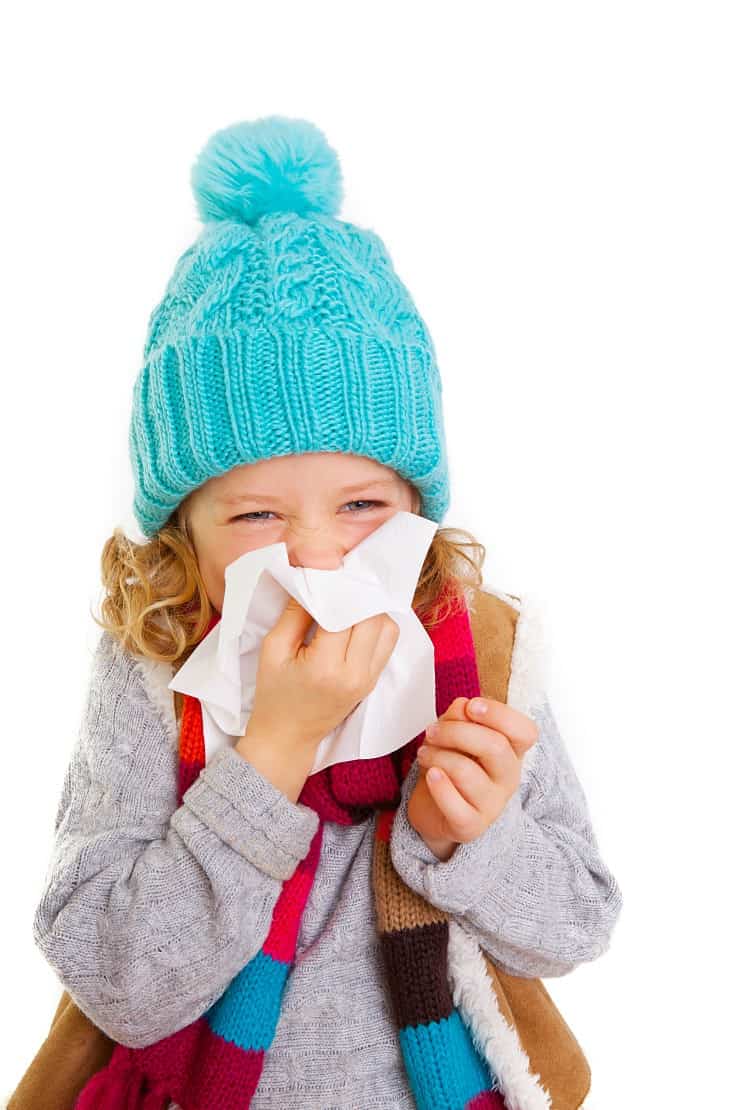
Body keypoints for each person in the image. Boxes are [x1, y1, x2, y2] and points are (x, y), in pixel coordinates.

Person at [30, 115, 623, 1108]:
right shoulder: (155, 666)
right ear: (184, 530)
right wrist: (268, 754)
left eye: (361, 507)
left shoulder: (476, 646)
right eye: (257, 514)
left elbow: (573, 926)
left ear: (417, 509)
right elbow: (115, 978)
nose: (316, 556)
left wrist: (468, 837)